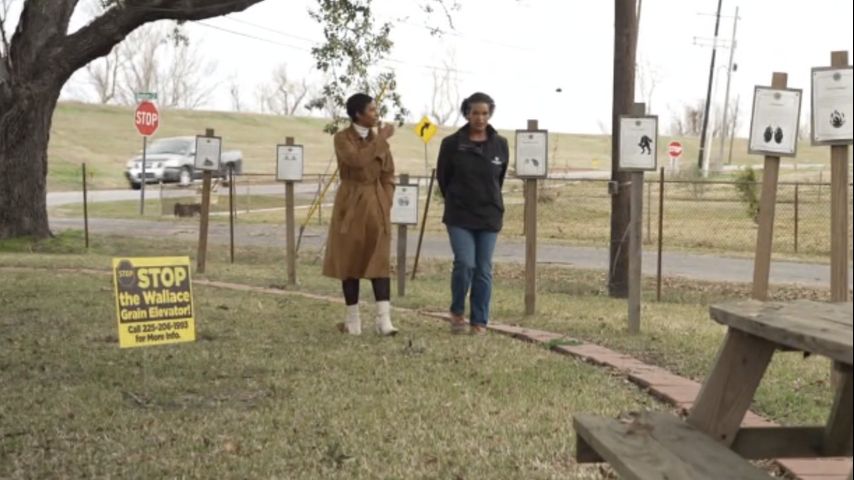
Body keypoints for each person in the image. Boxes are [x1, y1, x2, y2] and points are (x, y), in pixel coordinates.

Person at [322, 93, 398, 336]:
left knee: (379, 258)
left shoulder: (378, 140)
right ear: (358, 113)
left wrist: (386, 199)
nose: (376, 114)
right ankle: (352, 320)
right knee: (350, 259)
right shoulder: (342, 138)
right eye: (372, 110)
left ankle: (384, 320)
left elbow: (388, 172)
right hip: (351, 202)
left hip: (376, 202)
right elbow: (357, 160)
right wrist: (382, 139)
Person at [436, 92, 509, 335]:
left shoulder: (500, 144)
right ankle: (457, 311)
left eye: (485, 113)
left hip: (489, 215)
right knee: (465, 263)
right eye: (475, 113)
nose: (480, 118)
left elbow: (498, 179)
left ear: (490, 114)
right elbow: (444, 179)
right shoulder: (451, 144)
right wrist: (457, 198)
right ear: (467, 114)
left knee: (483, 269)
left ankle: (479, 321)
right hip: (460, 215)